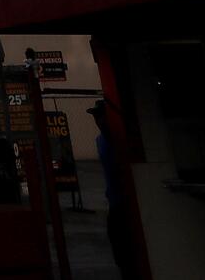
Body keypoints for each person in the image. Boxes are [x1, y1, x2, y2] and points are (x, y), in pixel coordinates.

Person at [89, 100, 143, 280]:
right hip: (116, 202)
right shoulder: (101, 140)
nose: (99, 121)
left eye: (101, 116)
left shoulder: (117, 139)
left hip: (127, 202)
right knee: (121, 249)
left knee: (129, 248)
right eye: (97, 117)